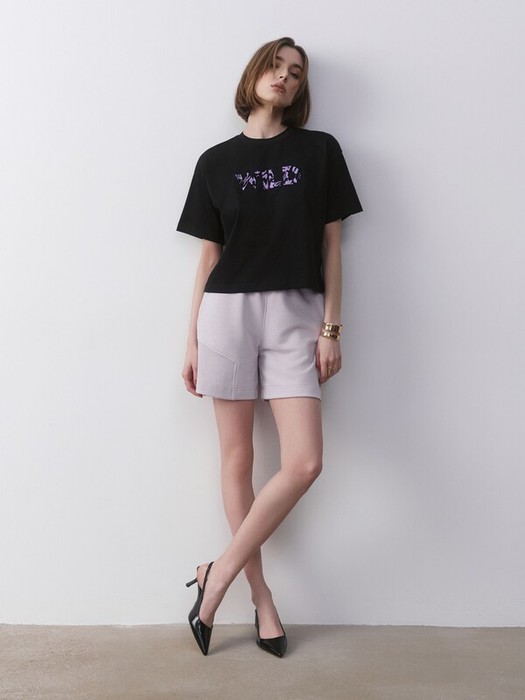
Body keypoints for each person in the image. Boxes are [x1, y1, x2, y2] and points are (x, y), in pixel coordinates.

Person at [177, 37, 362, 657]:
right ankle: (261, 599)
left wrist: (331, 327)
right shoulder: (214, 161)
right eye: (275, 66)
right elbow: (209, 256)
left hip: (295, 315)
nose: (284, 77)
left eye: (295, 73)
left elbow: (332, 245)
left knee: (304, 462)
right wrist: (190, 339)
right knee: (237, 459)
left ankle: (216, 574)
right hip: (225, 314)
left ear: (300, 89)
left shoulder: (319, 150)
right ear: (254, 74)